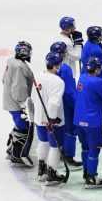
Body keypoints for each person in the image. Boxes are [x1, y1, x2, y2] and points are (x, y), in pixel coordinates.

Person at [74, 57, 102, 188]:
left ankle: (87, 173)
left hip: (79, 119)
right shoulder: (97, 82)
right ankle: (92, 177)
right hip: (92, 122)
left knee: (85, 147)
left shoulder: (82, 77)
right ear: (97, 69)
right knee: (94, 149)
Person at [31, 52, 66, 185]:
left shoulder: (37, 76)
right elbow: (54, 103)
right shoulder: (58, 81)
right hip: (53, 120)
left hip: (39, 116)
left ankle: (41, 169)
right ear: (57, 66)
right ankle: (52, 173)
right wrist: (51, 120)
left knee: (43, 142)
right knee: (55, 146)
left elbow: (33, 97)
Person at [49, 42, 82, 170]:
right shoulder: (65, 69)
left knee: (57, 129)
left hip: (53, 104)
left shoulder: (49, 67)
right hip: (65, 105)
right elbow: (69, 92)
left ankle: (58, 151)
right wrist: (76, 106)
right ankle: (68, 155)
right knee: (70, 130)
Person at [3, 41, 34, 167]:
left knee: (20, 125)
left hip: (11, 100)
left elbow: (4, 79)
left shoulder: (12, 61)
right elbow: (19, 88)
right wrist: (23, 104)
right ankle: (17, 155)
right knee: (24, 127)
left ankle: (11, 150)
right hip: (17, 103)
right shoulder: (20, 67)